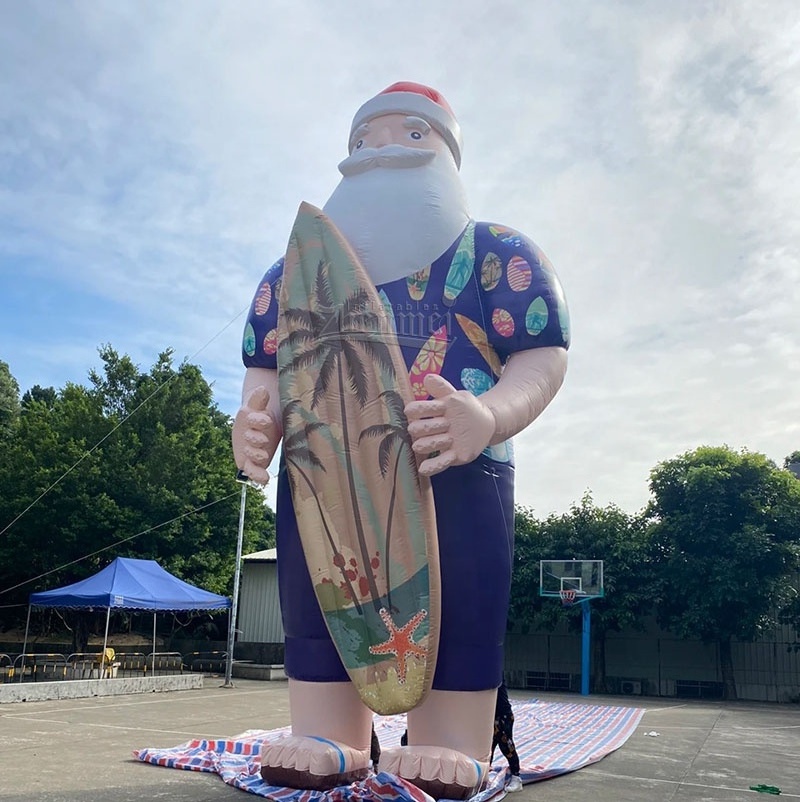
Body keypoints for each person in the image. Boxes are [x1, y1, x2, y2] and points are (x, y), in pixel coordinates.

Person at [232, 81, 569, 799]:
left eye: (408, 133)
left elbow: (543, 354)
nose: (379, 150)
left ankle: (451, 736)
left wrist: (491, 416)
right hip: (322, 470)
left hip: (458, 462)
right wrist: (255, 424)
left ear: (445, 149)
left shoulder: (494, 255)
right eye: (363, 139)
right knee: (319, 588)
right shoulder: (294, 273)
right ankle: (333, 733)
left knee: (464, 593)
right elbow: (265, 372)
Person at [492, 682, 522, 792]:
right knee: (486, 748)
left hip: (502, 715)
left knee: (507, 747)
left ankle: (516, 777)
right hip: (489, 714)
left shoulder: (493, 672)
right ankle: (484, 776)